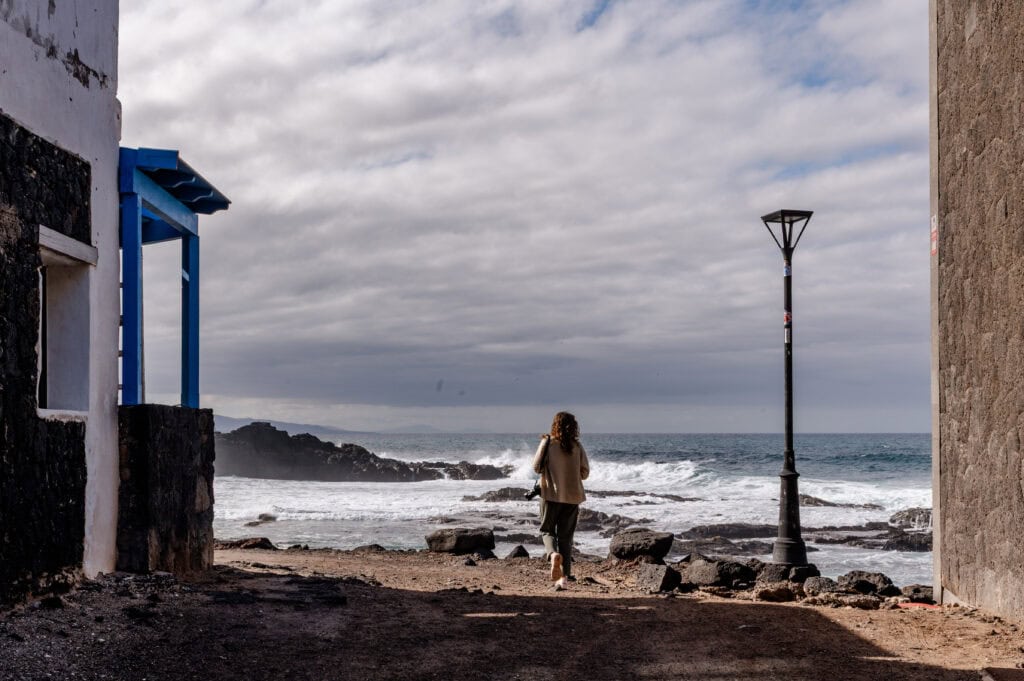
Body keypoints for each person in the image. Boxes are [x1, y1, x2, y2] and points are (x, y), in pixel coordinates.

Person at [532, 411, 589, 590]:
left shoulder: (548, 443)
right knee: (566, 538)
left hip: (550, 495)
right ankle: (563, 580)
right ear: (574, 427)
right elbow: (585, 473)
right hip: (572, 497)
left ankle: (553, 554)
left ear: (554, 425)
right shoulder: (577, 446)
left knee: (547, 530)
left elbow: (536, 467)